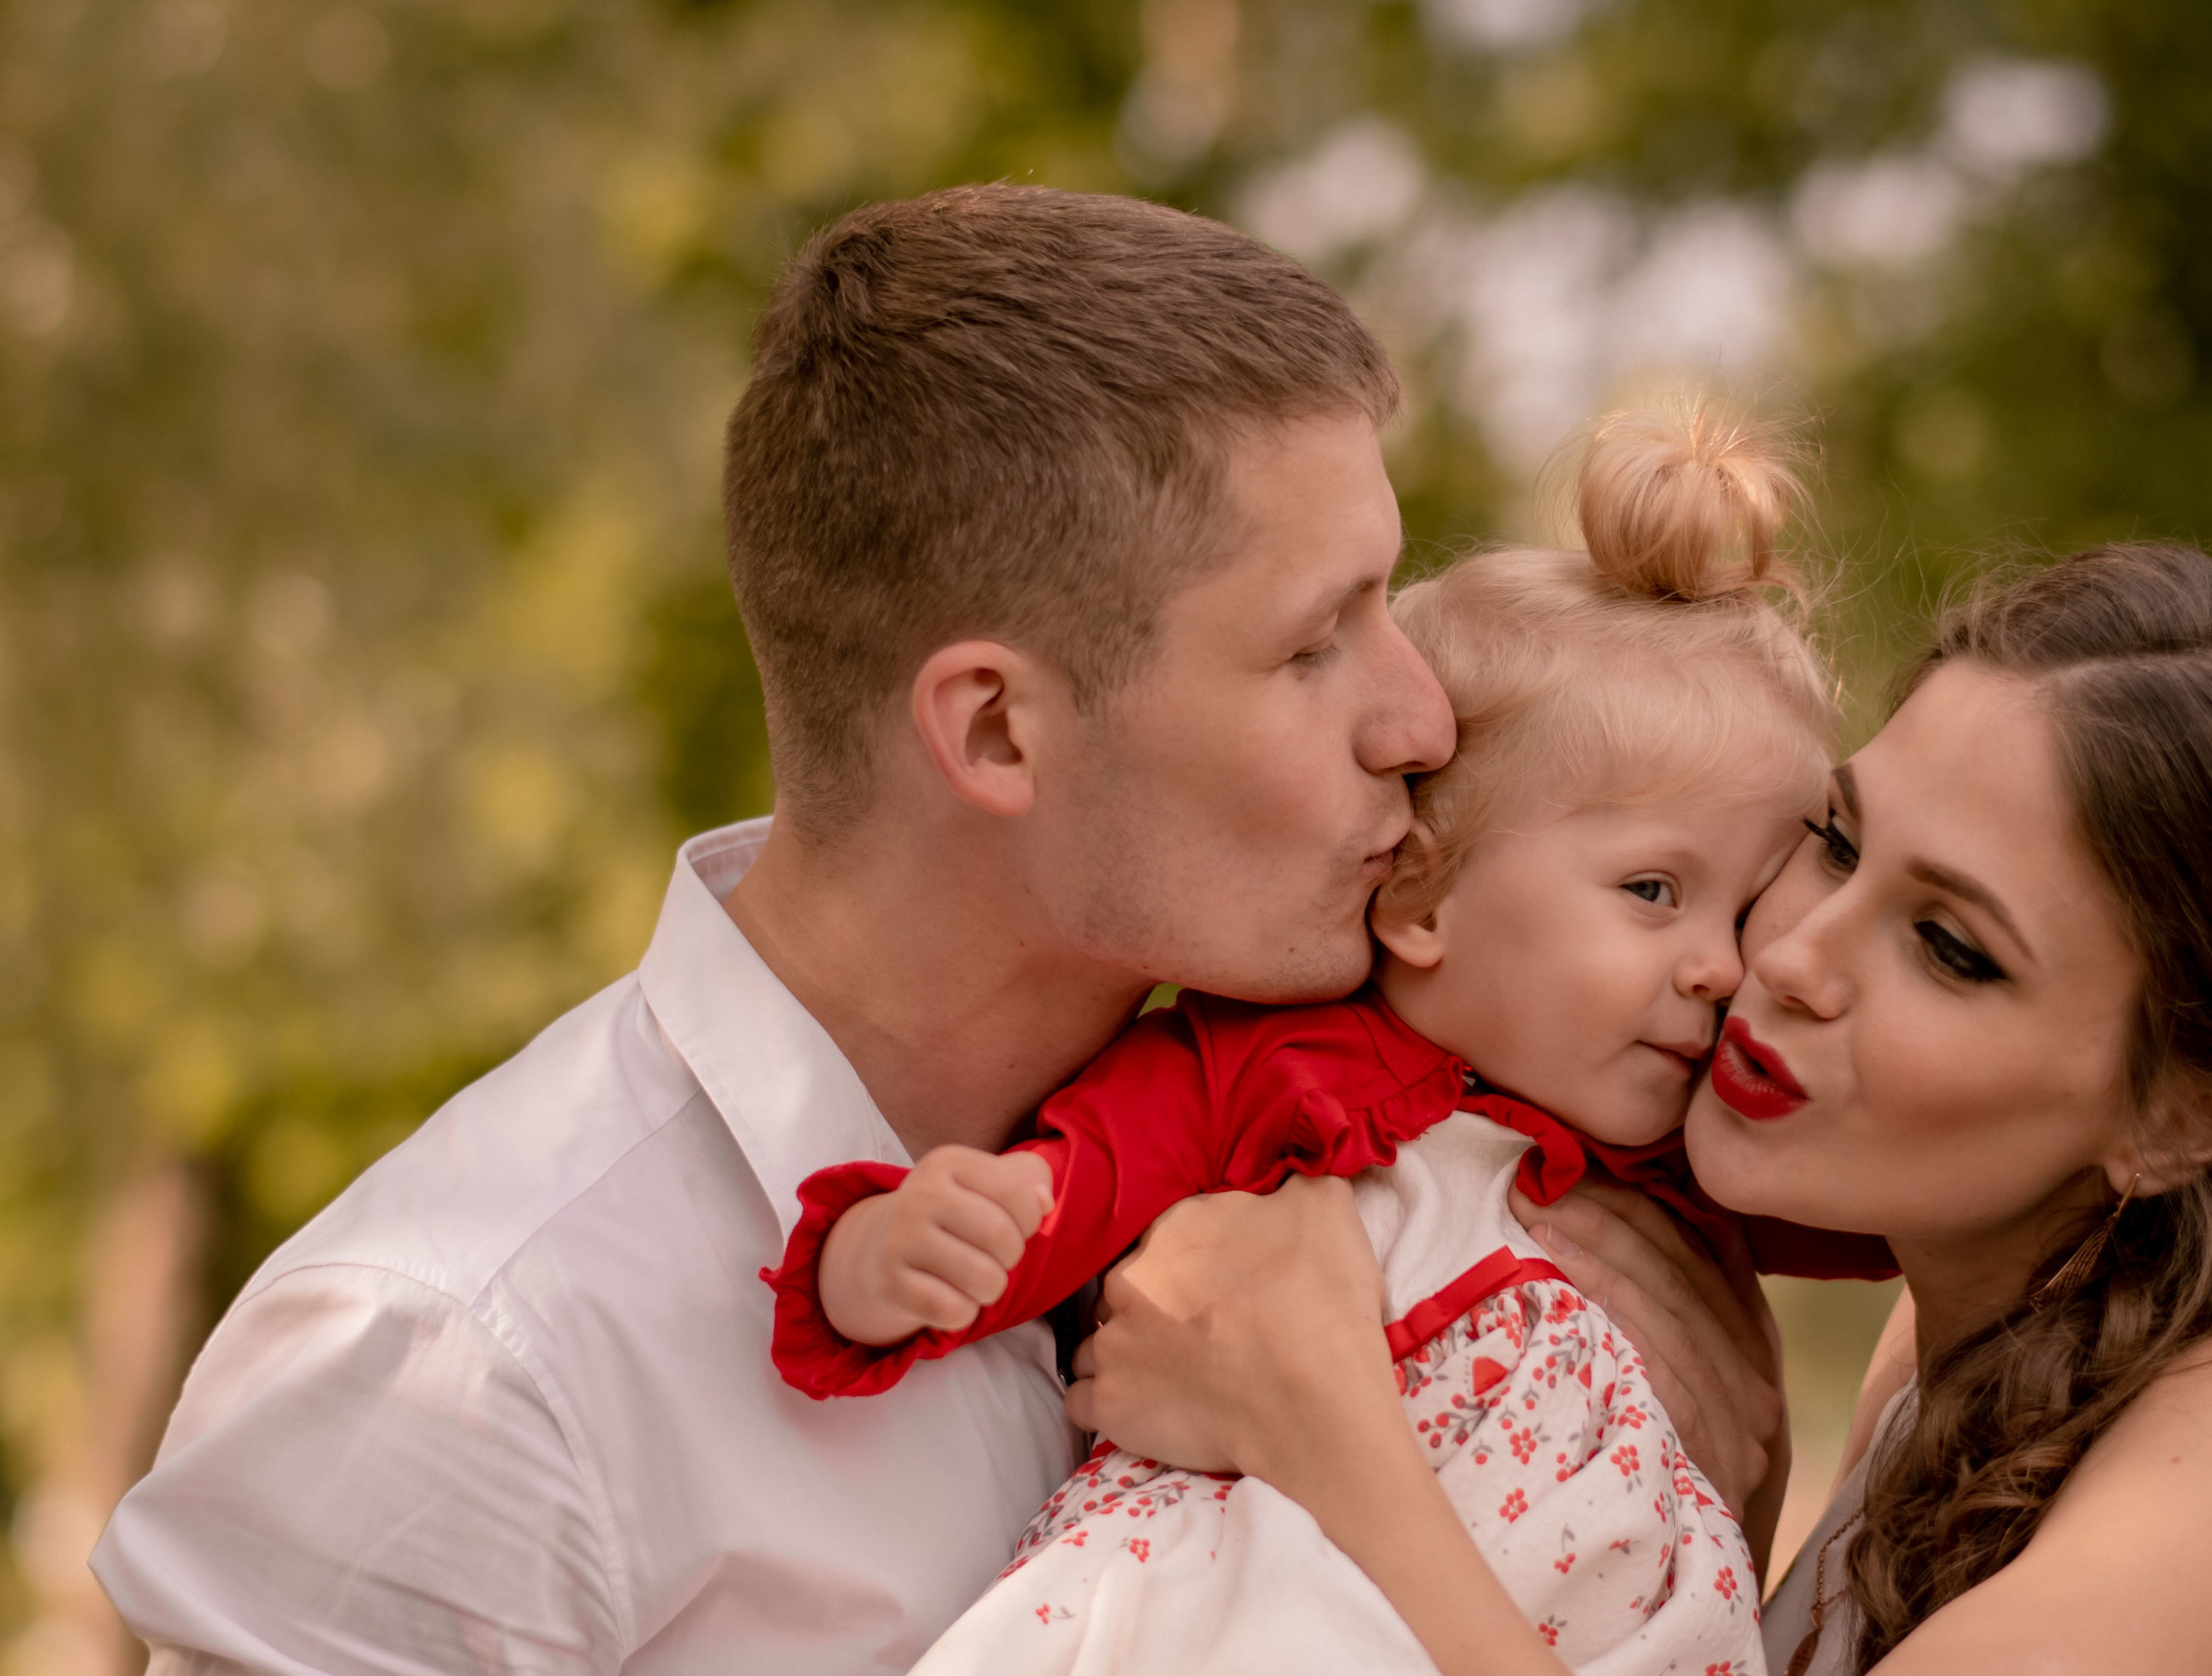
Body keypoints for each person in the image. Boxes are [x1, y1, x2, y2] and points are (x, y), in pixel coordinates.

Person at [89, 184, 1553, 1674]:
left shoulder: (1393, 1182)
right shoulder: (465, 1367)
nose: (1422, 719)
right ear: (994, 733)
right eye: (1314, 645)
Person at [1065, 543, 2212, 1676]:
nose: (1789, 957)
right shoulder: (1948, 1365)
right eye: (1838, 841)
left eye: (1951, 948)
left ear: (2189, 1115)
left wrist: (1324, 1431)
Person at [769, 403, 1895, 1676]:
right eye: (1651, 890)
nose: (1720, 963)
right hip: (1265, 1617)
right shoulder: (1277, 1064)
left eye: (1749, 908)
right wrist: (886, 1257)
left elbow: (1925, 1206)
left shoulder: (1693, 1141)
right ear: (1422, 894)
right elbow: (1060, 1191)